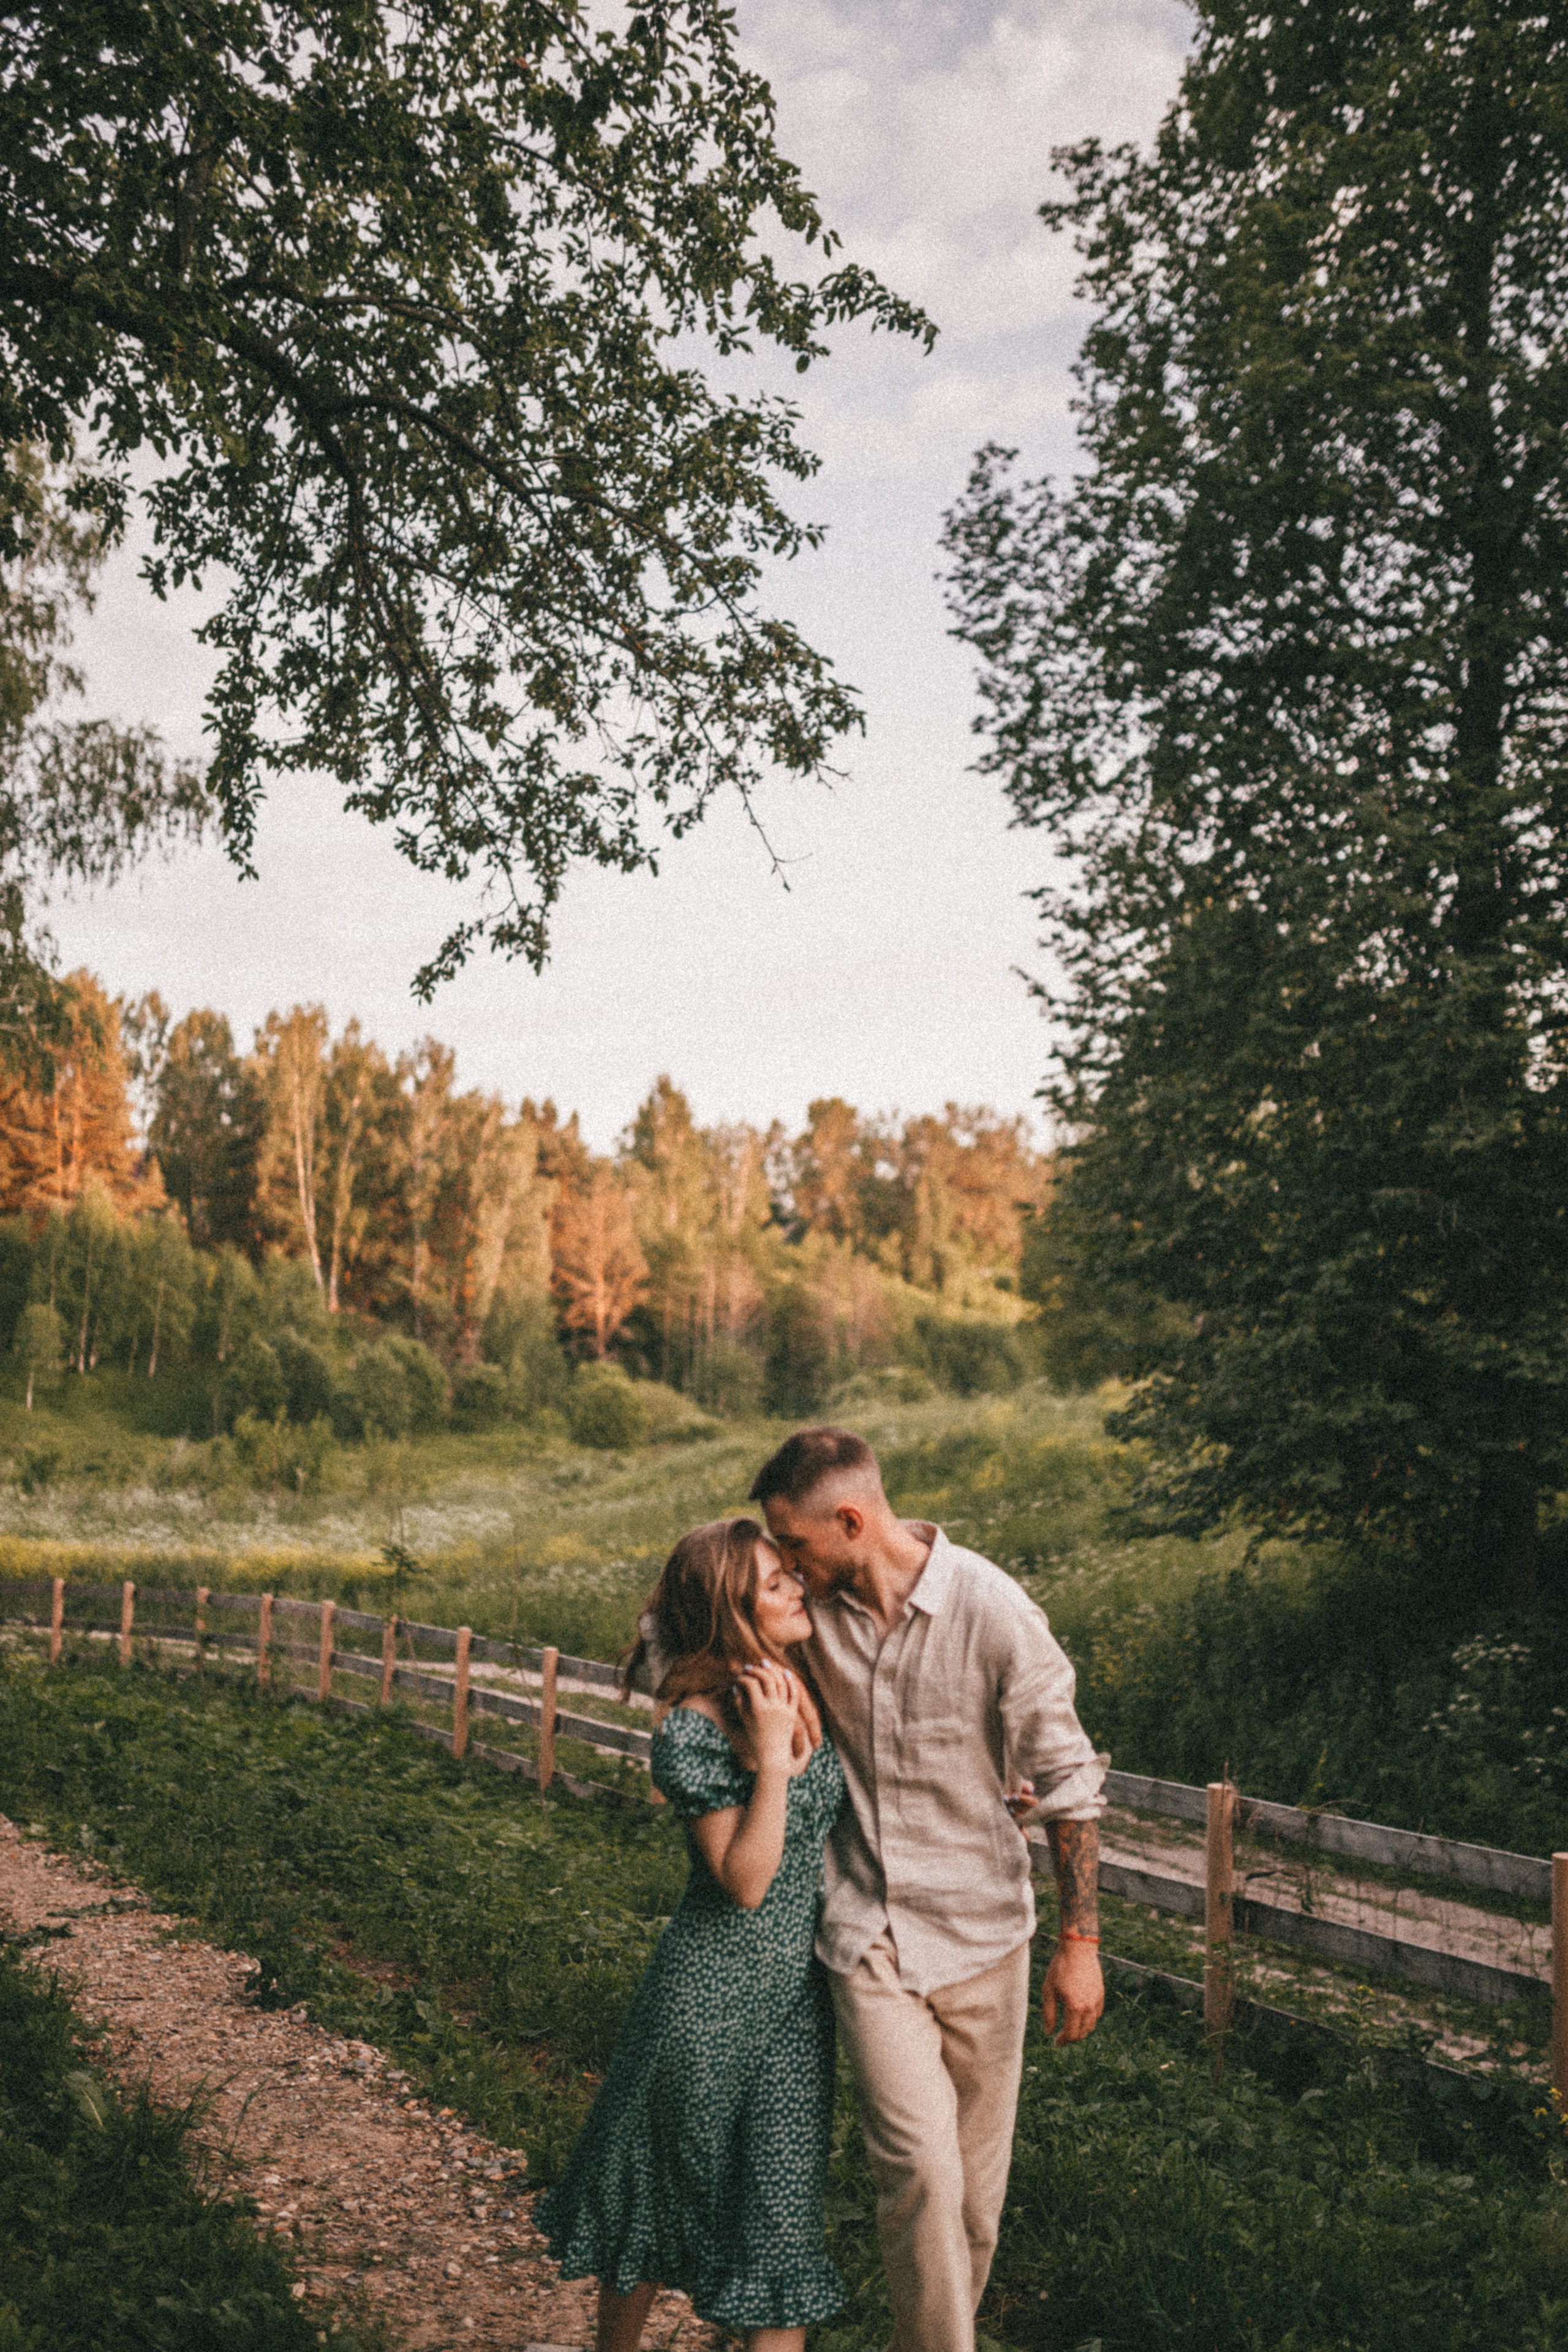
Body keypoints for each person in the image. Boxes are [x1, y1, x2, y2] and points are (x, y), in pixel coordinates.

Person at [747, 1425, 1106, 2352]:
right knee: (921, 2173)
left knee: (976, 2210)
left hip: (989, 1938)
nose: (785, 1565)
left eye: (795, 1543)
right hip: (867, 1932)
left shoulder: (992, 1609)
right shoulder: (807, 1612)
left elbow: (1067, 1779)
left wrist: (1080, 1944)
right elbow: (685, 1621)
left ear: (853, 1519)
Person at [537, 1517, 847, 2352]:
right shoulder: (696, 1725)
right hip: (706, 1996)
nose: (797, 1588)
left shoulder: (801, 1679)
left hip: (794, 2000)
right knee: (653, 2189)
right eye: (774, 1583)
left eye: (792, 1575)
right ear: (728, 1611)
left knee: (779, 2217)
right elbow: (745, 1883)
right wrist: (774, 1762)